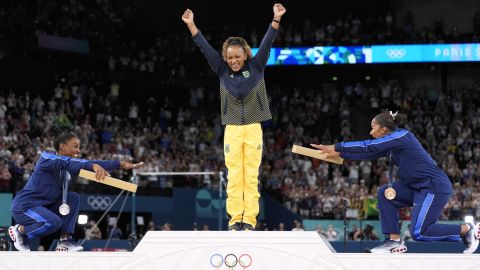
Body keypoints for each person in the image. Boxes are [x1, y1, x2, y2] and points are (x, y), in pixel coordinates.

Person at [312, 111, 480, 254]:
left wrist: (336, 146)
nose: (371, 132)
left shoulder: (402, 136)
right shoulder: (392, 142)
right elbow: (369, 153)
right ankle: (394, 241)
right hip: (415, 187)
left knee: (419, 232)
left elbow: (368, 146)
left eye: (373, 128)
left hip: (433, 186)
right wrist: (340, 155)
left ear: (384, 129)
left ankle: (466, 230)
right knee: (384, 194)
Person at [181, 3, 286, 231]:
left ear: (245, 55)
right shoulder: (221, 69)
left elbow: (267, 42)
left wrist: (276, 19)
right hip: (232, 129)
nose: (233, 61)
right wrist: (191, 24)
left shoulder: (257, 66)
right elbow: (204, 47)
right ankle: (234, 220)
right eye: (229, 57)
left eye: (237, 57)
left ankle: (248, 221)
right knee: (234, 175)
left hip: (253, 128)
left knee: (251, 176)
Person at [9, 128, 143, 251]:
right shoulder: (46, 158)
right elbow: (72, 163)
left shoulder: (69, 168)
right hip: (25, 206)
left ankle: (65, 240)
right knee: (54, 222)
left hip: (46, 206)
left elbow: (86, 163)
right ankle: (20, 231)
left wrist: (120, 164)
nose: (79, 150)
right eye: (75, 146)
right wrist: (93, 165)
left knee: (73, 197)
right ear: (62, 146)